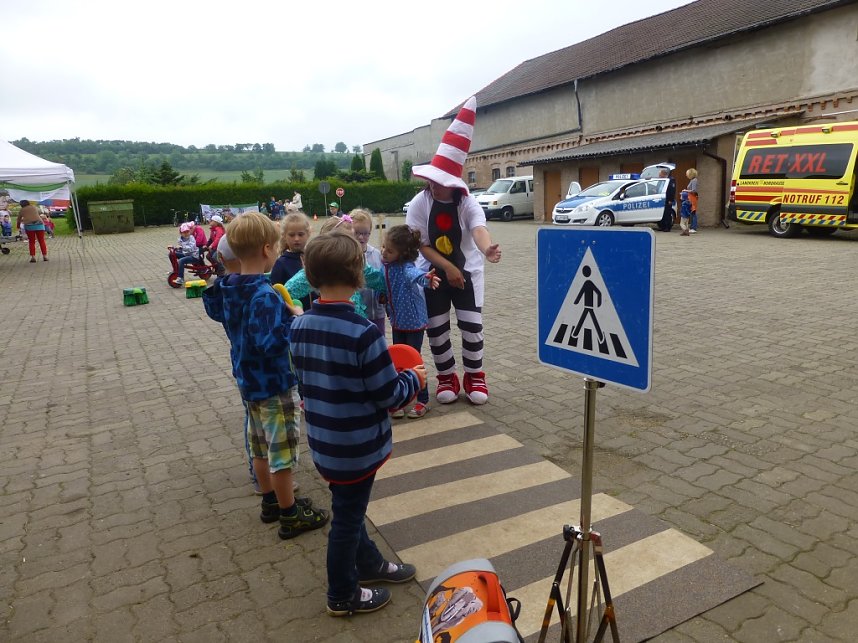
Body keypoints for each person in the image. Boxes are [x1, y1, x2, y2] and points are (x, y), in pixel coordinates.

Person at [288, 231, 425, 617]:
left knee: (349, 507)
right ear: (358, 275)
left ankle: (370, 565)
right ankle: (342, 594)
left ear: (311, 277)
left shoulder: (298, 327)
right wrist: (415, 378)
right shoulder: (364, 333)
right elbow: (390, 395)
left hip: (325, 444)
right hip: (357, 447)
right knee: (346, 521)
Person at [202, 212, 329, 540]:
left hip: (247, 382)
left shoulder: (229, 287)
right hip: (273, 384)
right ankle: (290, 514)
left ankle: (270, 502)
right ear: (266, 250)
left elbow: (214, 308)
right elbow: (269, 342)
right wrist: (295, 320)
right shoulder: (264, 295)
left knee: (258, 444)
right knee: (282, 449)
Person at [406, 96, 501, 405]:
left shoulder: (468, 203)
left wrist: (487, 250)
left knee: (472, 327)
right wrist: (446, 268)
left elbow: (478, 228)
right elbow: (419, 243)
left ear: (455, 184)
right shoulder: (421, 203)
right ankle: (446, 376)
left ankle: (475, 375)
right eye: (432, 181)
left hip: (468, 272)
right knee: (437, 328)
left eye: (440, 182)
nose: (434, 186)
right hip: (432, 273)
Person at [381, 224, 440, 419]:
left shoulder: (405, 268)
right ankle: (401, 398)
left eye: (389, 251)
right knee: (398, 361)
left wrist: (427, 278)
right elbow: (384, 287)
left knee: (414, 360)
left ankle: (422, 399)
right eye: (383, 248)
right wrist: (382, 297)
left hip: (413, 322)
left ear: (402, 253)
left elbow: (416, 276)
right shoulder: (386, 267)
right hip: (397, 321)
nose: (384, 253)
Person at [350, 209, 386, 335]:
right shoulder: (346, 255)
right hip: (355, 315)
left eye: (365, 233)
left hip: (377, 313)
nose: (361, 237)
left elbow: (382, 279)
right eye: (357, 233)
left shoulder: (376, 254)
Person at [271, 211, 313, 310]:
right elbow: (276, 293)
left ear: (308, 234)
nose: (296, 239)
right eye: (292, 235)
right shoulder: (281, 263)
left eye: (300, 234)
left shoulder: (314, 258)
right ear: (284, 236)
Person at [686, 168, 699, 233]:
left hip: (693, 198)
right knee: (692, 212)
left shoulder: (694, 180)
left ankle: (694, 227)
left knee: (693, 212)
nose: (686, 175)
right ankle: (692, 227)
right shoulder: (692, 180)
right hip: (690, 197)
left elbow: (694, 190)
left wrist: (686, 191)